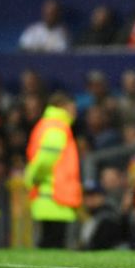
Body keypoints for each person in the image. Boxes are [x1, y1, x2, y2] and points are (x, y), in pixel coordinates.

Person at [24, 92, 82, 248]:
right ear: (62, 107)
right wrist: (33, 177)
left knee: (48, 243)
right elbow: (46, 159)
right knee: (52, 245)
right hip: (54, 198)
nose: (75, 111)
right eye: (72, 107)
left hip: (50, 197)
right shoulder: (57, 127)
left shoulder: (50, 124)